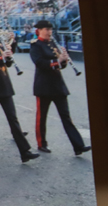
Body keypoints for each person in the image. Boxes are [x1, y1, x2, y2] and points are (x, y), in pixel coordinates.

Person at [0, 14, 40, 163]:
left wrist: (10, 52)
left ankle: (24, 151)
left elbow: (8, 63)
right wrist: (0, 58)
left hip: (3, 83)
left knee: (12, 117)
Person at [29, 20, 91, 155]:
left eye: (50, 30)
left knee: (66, 117)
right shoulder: (35, 45)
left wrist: (64, 60)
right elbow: (40, 63)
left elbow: (60, 65)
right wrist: (57, 61)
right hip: (44, 86)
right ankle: (41, 143)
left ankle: (78, 146)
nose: (49, 32)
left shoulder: (52, 43)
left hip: (58, 85)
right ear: (39, 30)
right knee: (42, 117)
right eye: (46, 29)